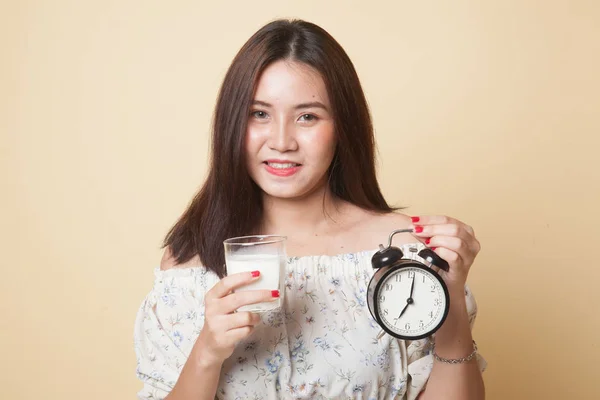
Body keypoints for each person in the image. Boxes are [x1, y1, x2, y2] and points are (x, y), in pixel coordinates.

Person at [134, 19, 486, 400]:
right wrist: (206, 353)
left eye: (307, 116)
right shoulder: (189, 265)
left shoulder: (404, 253)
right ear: (232, 124)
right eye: (259, 114)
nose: (282, 141)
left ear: (343, 127)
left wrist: (449, 309)